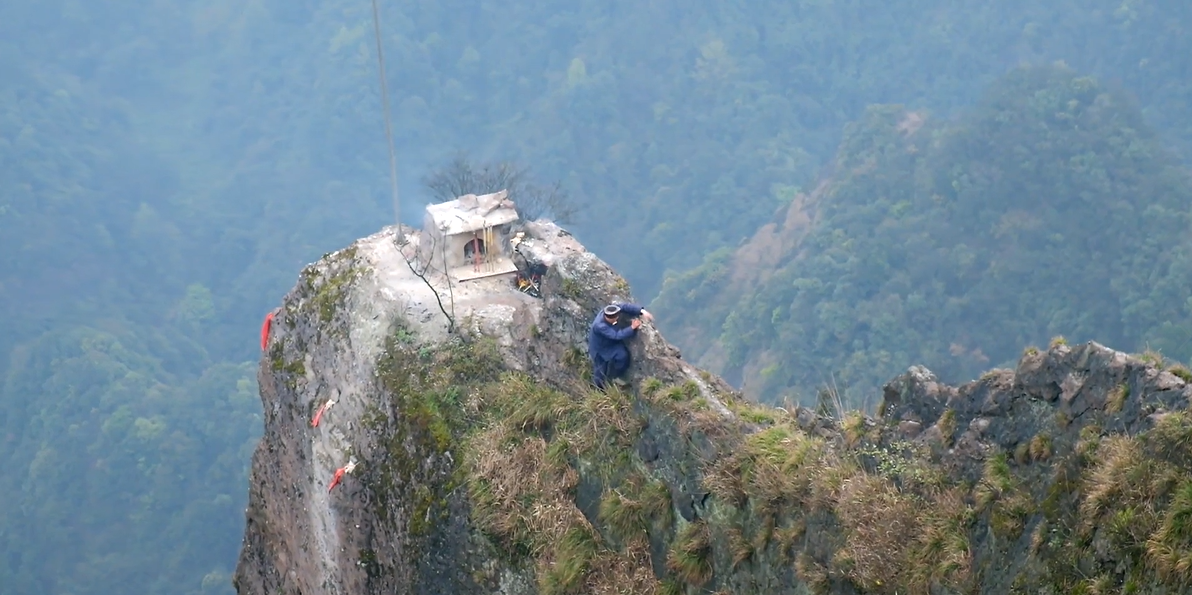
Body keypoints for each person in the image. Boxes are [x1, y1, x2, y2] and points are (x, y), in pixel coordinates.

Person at [588, 303, 654, 390]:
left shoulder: (608, 311)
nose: (618, 317)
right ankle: (598, 389)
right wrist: (632, 327)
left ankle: (615, 376)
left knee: (622, 355)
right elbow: (617, 335)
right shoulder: (600, 326)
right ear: (612, 318)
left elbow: (623, 306)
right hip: (600, 349)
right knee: (600, 371)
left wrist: (641, 311)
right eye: (616, 317)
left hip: (610, 343)